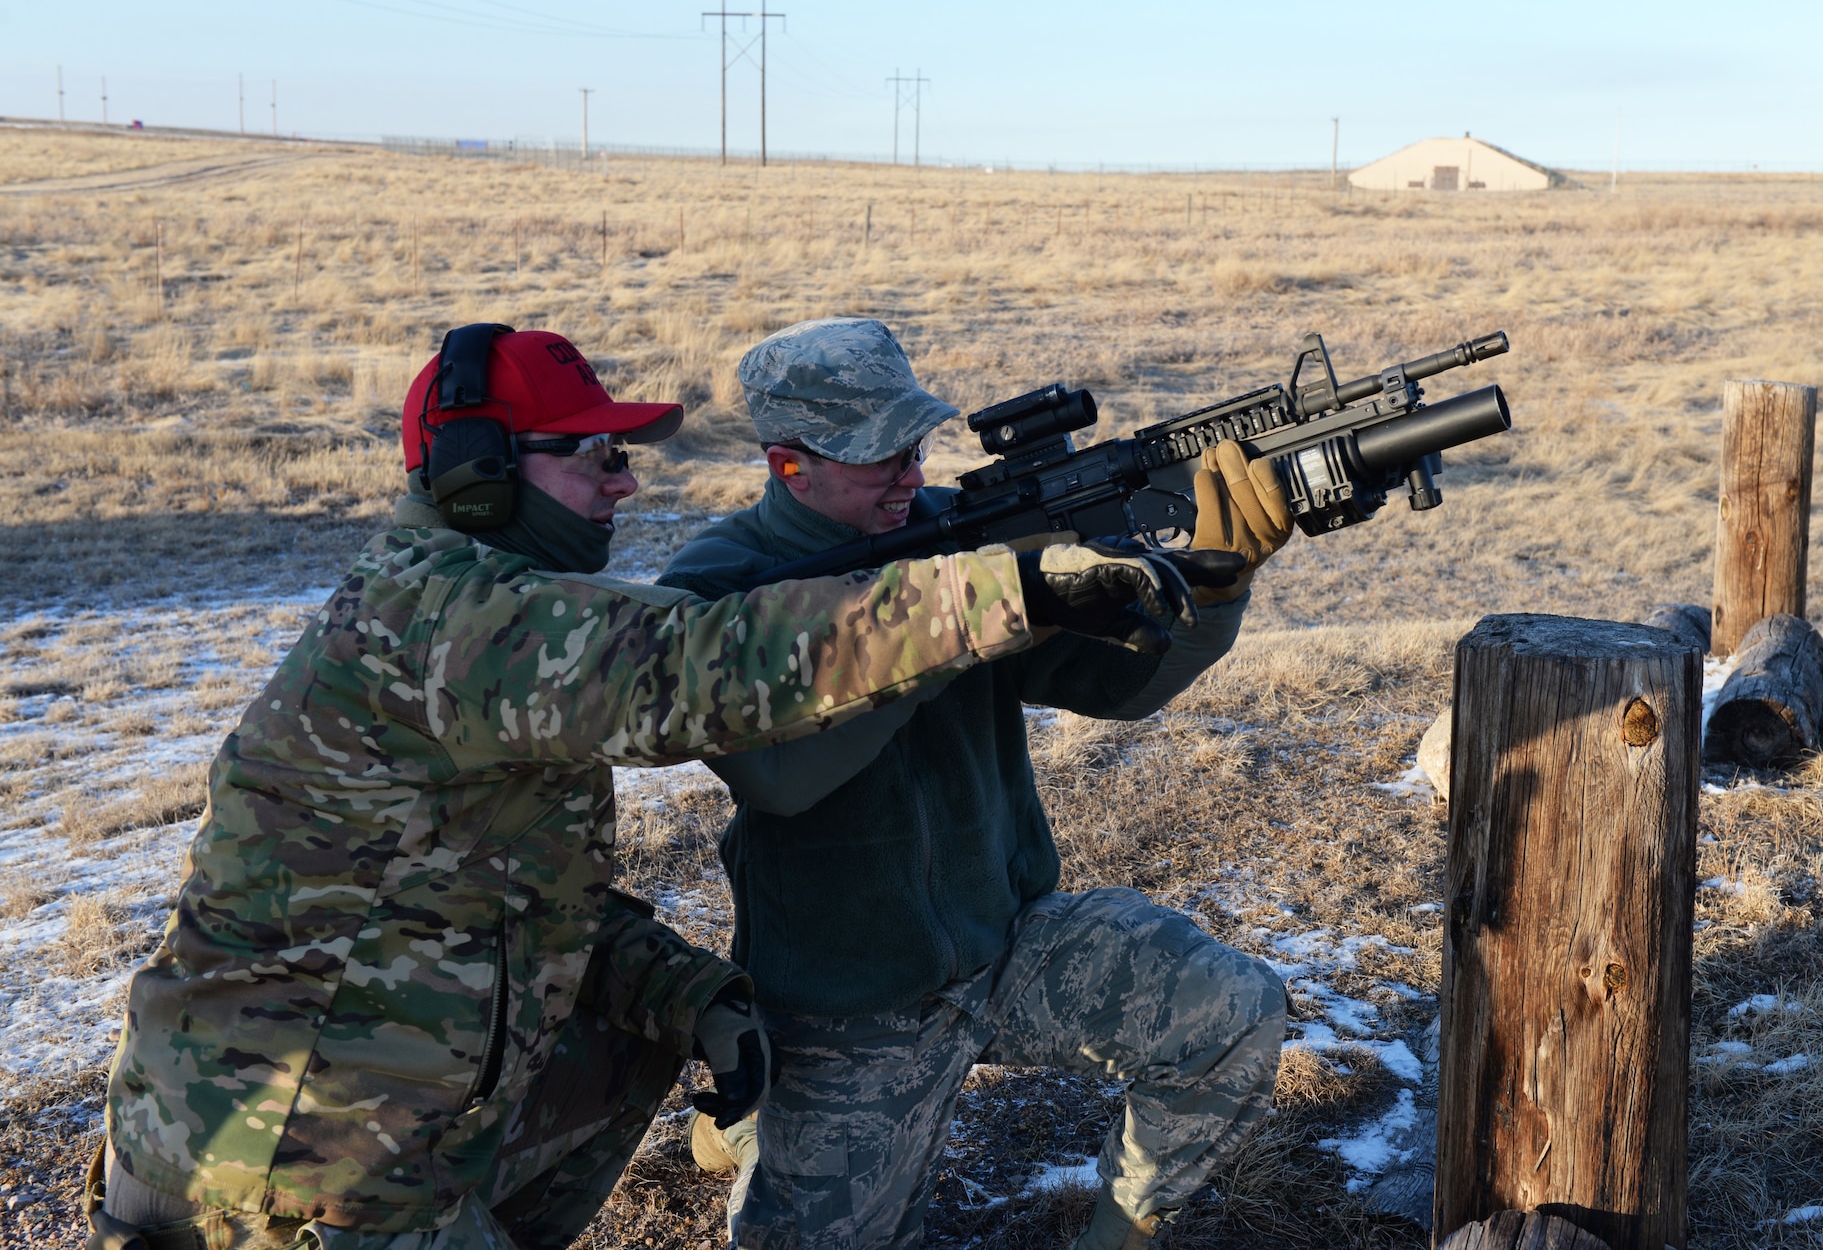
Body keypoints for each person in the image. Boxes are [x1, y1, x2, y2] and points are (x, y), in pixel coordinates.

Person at [88, 325, 1232, 1250]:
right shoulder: (445, 615)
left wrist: (690, 996)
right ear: (479, 473)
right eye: (594, 455)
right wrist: (997, 591)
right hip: (283, 1168)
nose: (624, 482)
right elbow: (699, 670)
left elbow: (502, 904)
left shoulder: (481, 614)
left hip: (373, 1141)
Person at [657, 318, 1300, 1250]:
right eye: (879, 457)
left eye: (914, 446)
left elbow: (1111, 685)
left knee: (1234, 1011)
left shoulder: (960, 534)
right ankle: (755, 1122)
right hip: (851, 1000)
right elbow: (778, 776)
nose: (911, 477)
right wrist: (945, 619)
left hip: (1010, 943)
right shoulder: (722, 587)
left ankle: (1120, 1233)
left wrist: (1213, 589)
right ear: (789, 464)